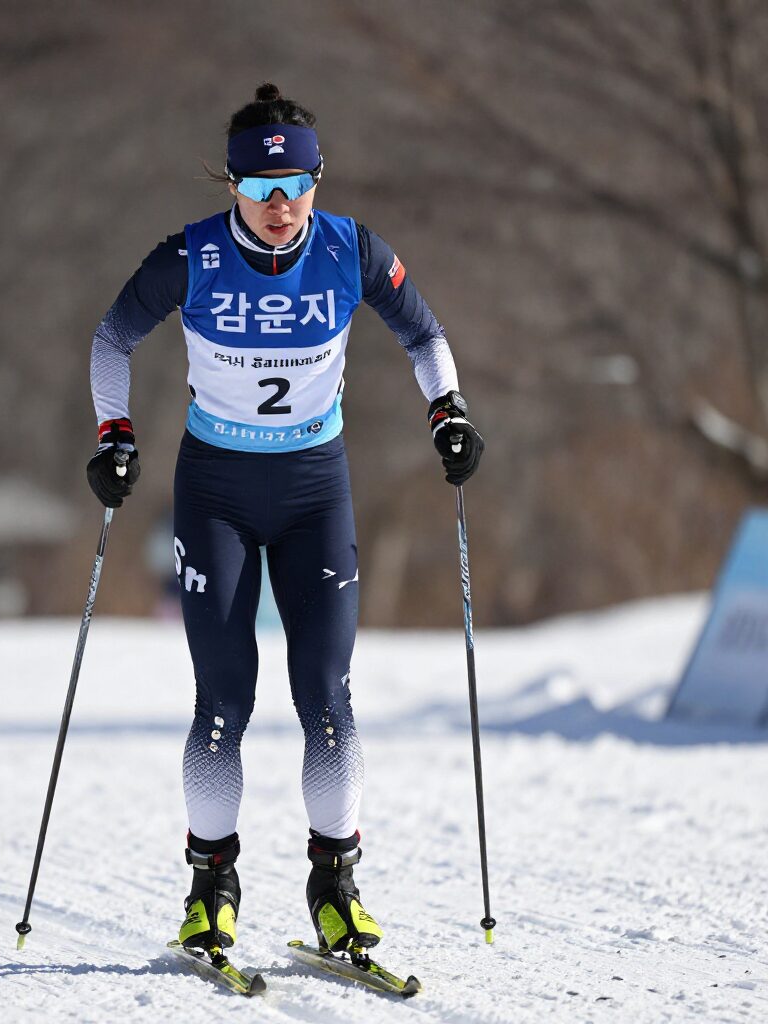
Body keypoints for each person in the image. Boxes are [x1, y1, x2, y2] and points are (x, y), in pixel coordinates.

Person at [87, 84, 484, 957]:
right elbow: (113, 338)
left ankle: (335, 884)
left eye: (296, 186)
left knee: (328, 700)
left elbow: (425, 337)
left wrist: (446, 412)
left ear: (316, 180)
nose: (279, 207)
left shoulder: (352, 249)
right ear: (231, 185)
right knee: (223, 703)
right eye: (261, 189)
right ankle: (209, 885)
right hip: (217, 491)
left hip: (314, 488)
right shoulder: (190, 256)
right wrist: (115, 434)